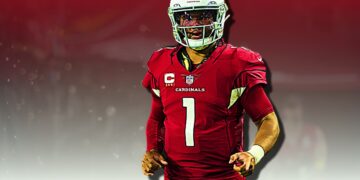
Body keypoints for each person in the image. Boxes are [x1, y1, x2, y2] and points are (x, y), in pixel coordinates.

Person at [141, 0, 280, 179]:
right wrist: (152, 150)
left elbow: (268, 121)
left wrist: (253, 154)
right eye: (187, 17)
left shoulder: (237, 63)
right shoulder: (162, 63)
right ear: (176, 19)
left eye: (204, 16)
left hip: (223, 176)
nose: (195, 24)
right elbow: (156, 118)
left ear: (219, 17)